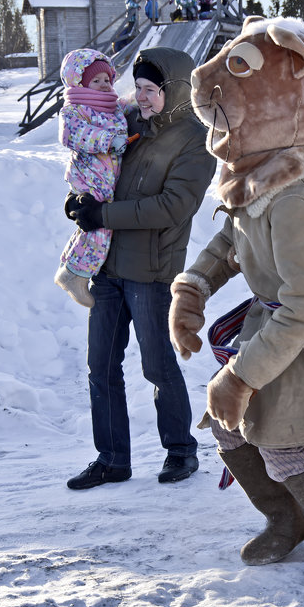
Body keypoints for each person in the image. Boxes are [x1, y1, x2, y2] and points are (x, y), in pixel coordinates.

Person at [169, 17, 304, 584]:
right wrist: (192, 288)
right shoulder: (258, 181)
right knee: (227, 428)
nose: (209, 79)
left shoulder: (293, 202)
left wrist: (239, 378)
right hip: (280, 326)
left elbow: (303, 308)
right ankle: (285, 518)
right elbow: (231, 242)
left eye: (239, 69)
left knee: (280, 438)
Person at [65, 46, 217, 490]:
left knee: (157, 365)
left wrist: (103, 215)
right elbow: (98, 169)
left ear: (175, 90)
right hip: (109, 266)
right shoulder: (128, 124)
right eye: (139, 88)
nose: (142, 97)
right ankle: (112, 459)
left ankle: (180, 451)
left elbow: (173, 206)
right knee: (101, 366)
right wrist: (80, 202)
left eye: (152, 89)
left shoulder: (195, 140)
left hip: (151, 271)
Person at [54, 49, 130, 308]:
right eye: (95, 81)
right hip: (88, 176)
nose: (103, 85)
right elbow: (71, 134)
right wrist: (109, 140)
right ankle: (76, 275)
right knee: (97, 225)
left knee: (91, 227)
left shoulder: (114, 106)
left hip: (107, 177)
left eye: (107, 80)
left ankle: (70, 266)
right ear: (80, 83)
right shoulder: (75, 110)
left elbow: (127, 107)